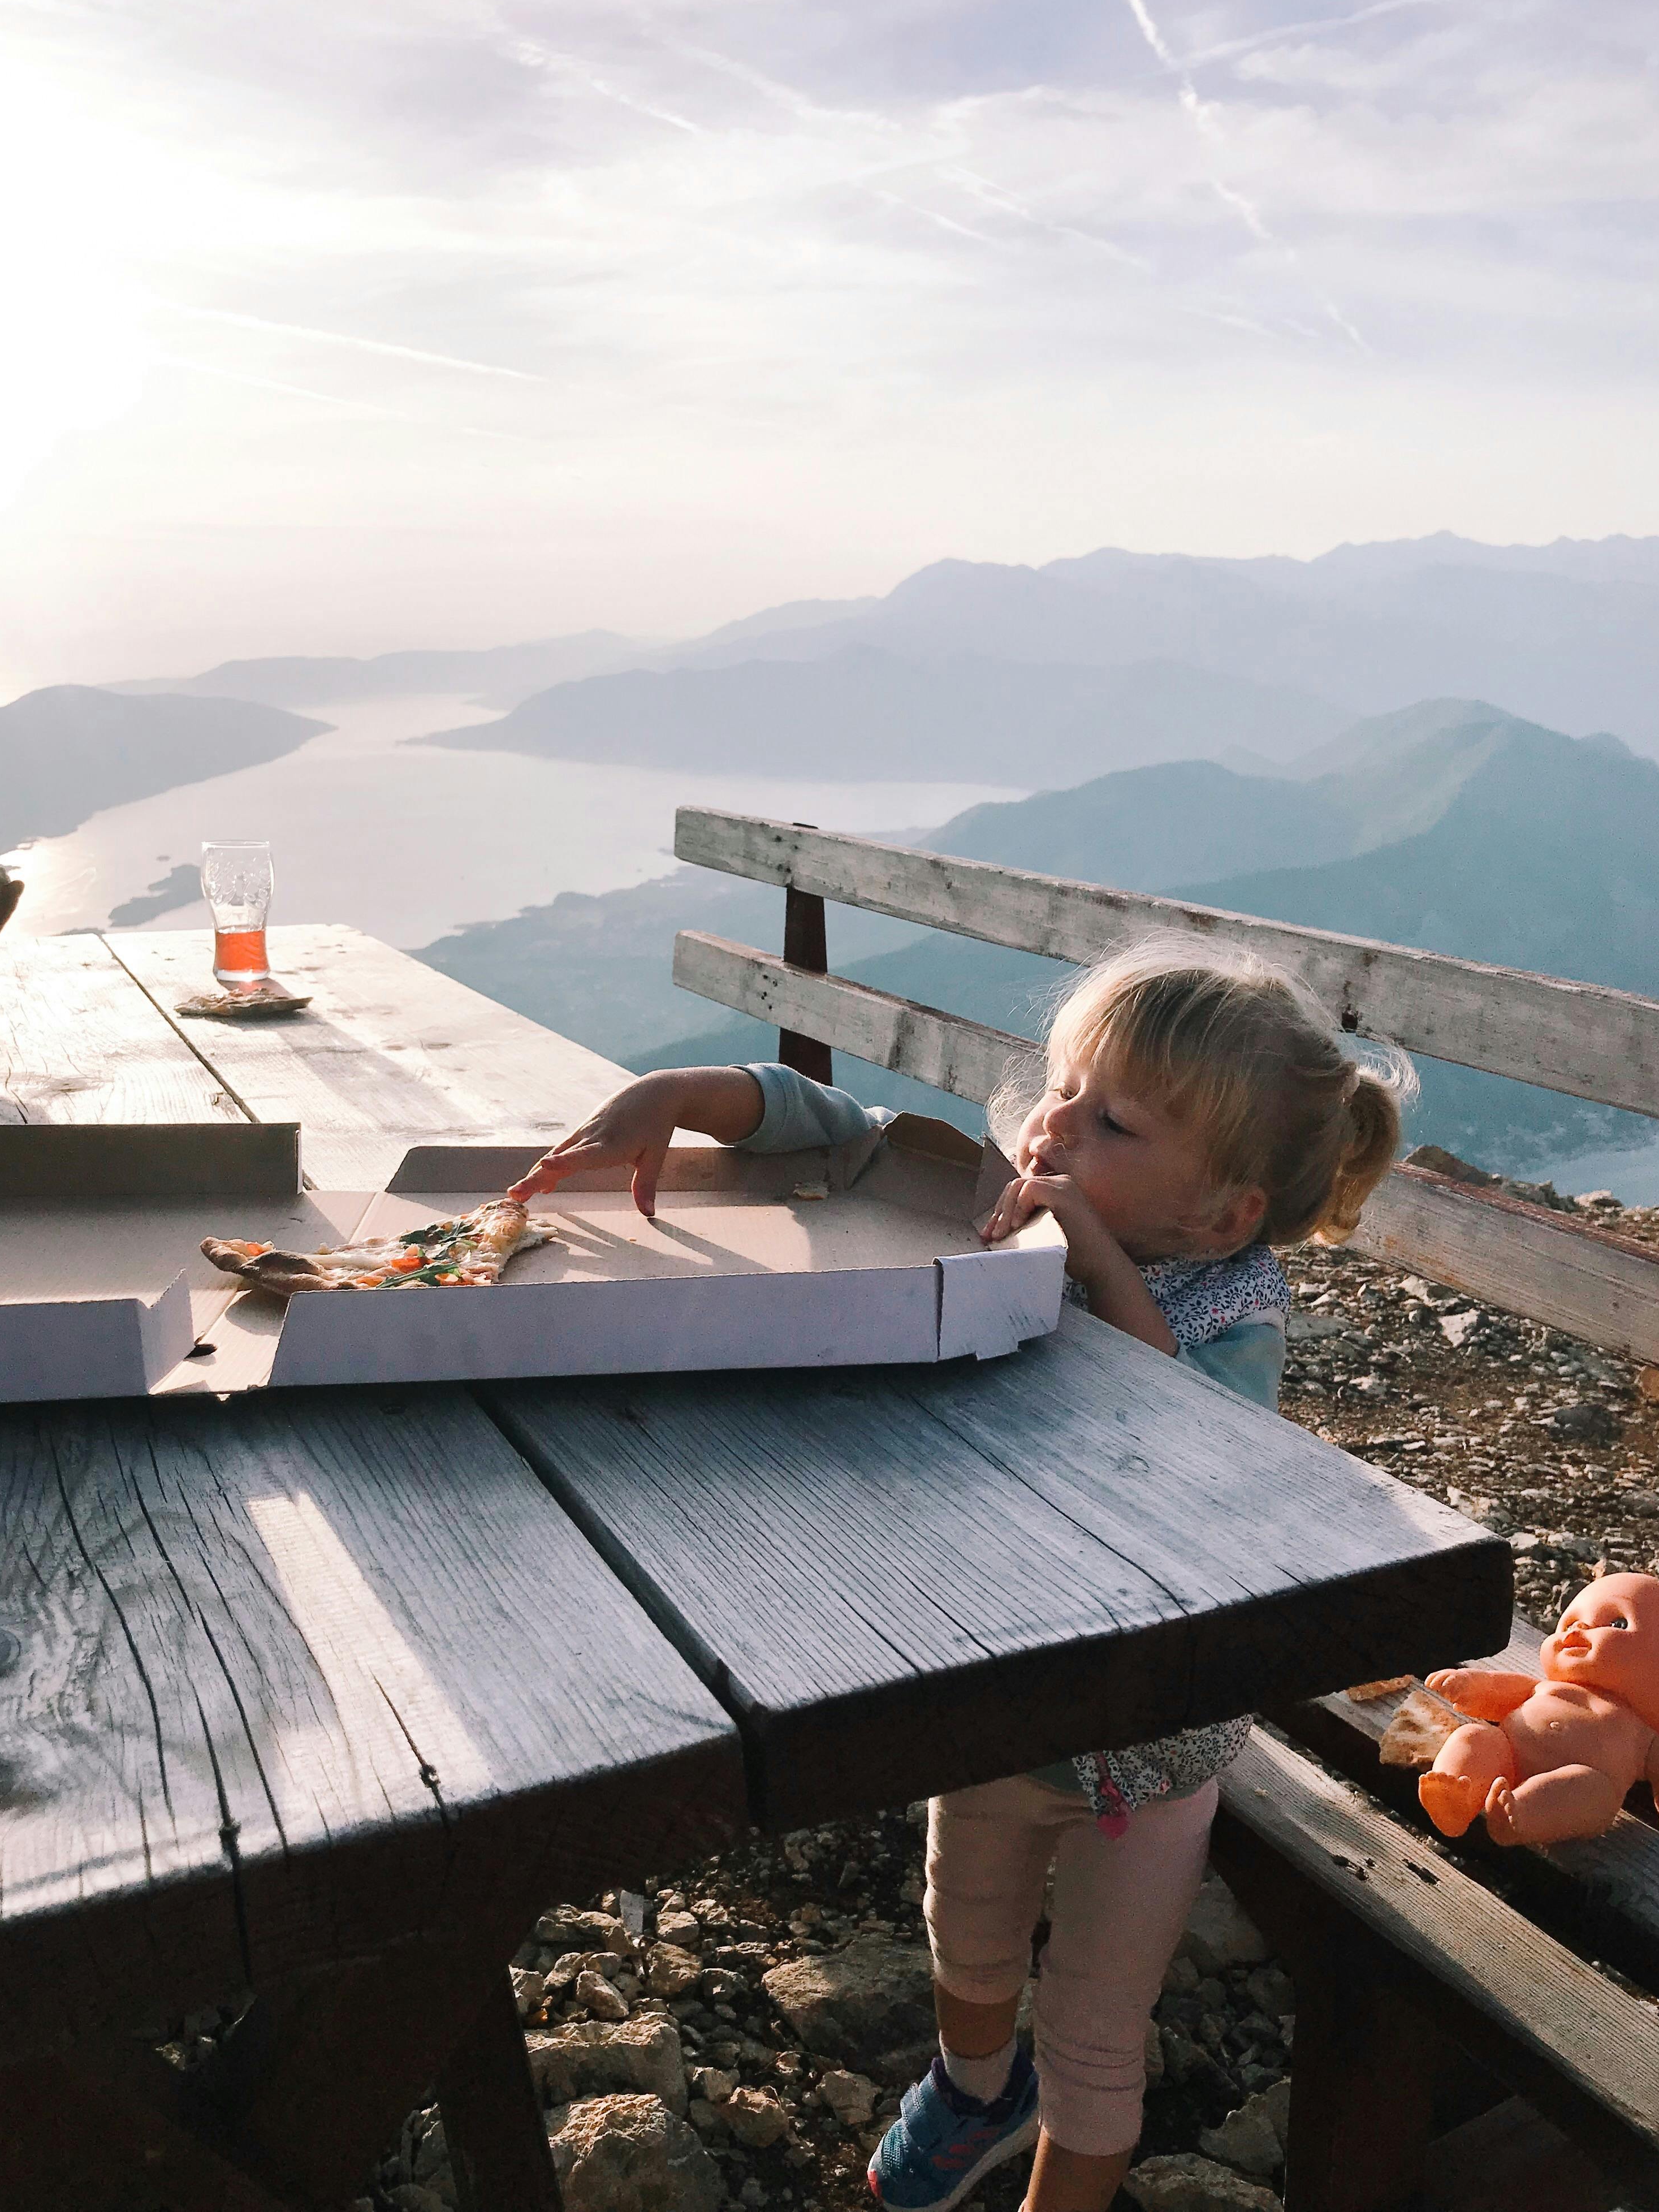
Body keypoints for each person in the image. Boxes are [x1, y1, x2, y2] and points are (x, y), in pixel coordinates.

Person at [508, 935, 1413, 2212]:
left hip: (1153, 1753)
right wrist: (681, 1097)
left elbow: (1188, 1435)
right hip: (1001, 1690)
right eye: (1063, 1083)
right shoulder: (1017, 1200)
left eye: (1111, 1121)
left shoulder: (1233, 1305)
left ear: (1224, 1214)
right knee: (966, 1935)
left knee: (1101, 2033)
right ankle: (977, 2091)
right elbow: (850, 1132)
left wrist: (1089, 1247)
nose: (1054, 1124)